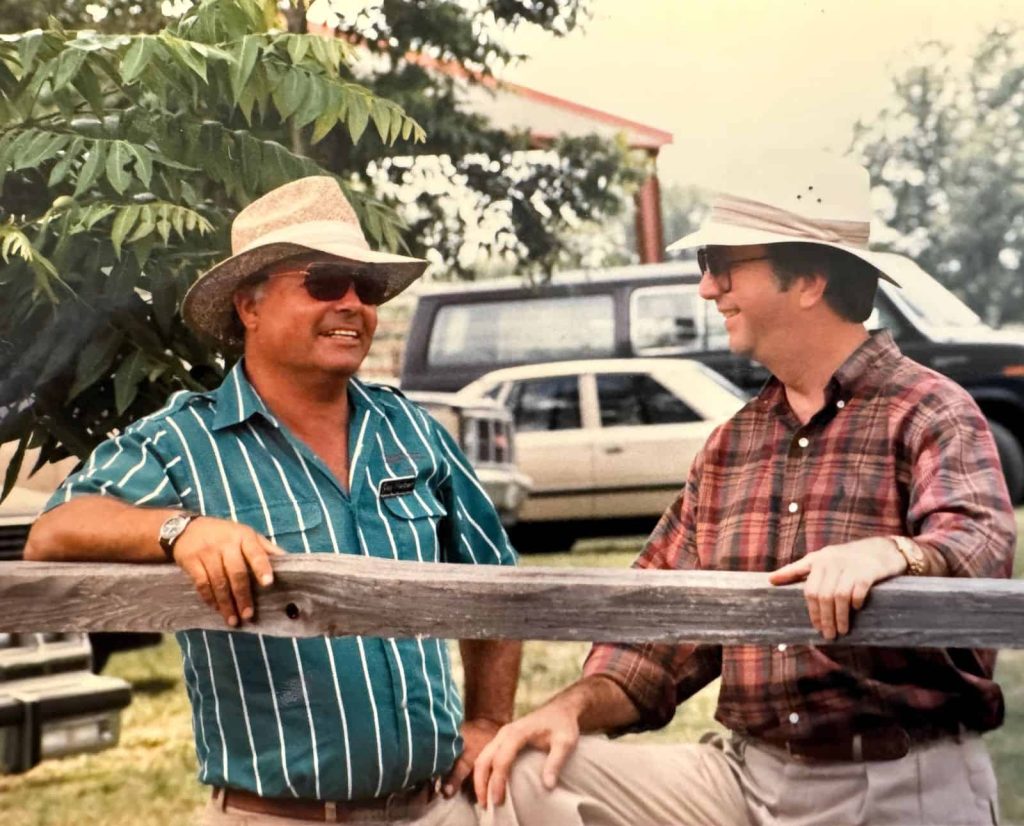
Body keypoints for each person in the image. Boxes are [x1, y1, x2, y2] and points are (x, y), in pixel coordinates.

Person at [472, 154, 1016, 826]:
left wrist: (894, 553)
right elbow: (654, 631)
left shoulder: (931, 409)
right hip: (749, 778)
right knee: (526, 773)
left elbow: (982, 543)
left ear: (810, 278)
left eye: (722, 261)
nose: (707, 287)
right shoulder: (731, 445)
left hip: (904, 779)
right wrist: (568, 708)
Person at [25, 176, 522, 825]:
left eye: (365, 287)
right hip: (274, 815)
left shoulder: (412, 430)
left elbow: (497, 581)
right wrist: (183, 531)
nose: (351, 304)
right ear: (249, 306)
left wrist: (487, 720)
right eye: (323, 282)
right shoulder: (184, 441)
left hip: (432, 809)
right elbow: (55, 531)